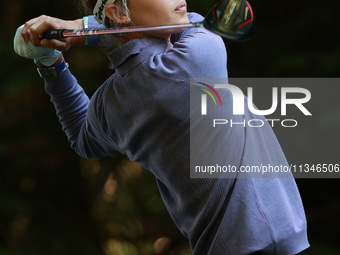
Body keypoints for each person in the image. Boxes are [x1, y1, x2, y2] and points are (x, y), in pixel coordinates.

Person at [14, 0, 310, 254]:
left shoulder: (112, 101)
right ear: (118, 13)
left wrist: (51, 63)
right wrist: (78, 29)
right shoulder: (194, 61)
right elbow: (197, 22)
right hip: (267, 246)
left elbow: (82, 136)